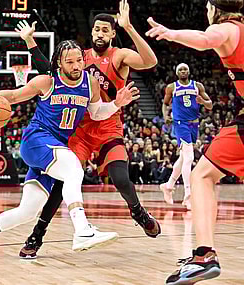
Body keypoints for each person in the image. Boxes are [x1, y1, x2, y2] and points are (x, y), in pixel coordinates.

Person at [0, 39, 139, 258]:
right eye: (70, 62)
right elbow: (16, 95)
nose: (76, 66)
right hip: (37, 140)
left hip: (55, 151)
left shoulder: (90, 83)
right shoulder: (47, 81)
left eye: (79, 61)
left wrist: (116, 104)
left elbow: (96, 114)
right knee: (74, 169)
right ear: (58, 63)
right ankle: (82, 230)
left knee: (26, 212)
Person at [146, 0, 244, 283]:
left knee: (202, 175)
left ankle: (203, 255)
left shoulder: (228, 28)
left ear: (214, 9)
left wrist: (171, 33)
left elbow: (206, 39)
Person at [17, 0, 161, 259]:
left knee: (120, 177)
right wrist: (30, 42)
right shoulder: (78, 57)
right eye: (96, 29)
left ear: (113, 34)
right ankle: (37, 235)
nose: (100, 34)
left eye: (105, 30)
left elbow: (150, 62)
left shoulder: (120, 55)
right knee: (63, 184)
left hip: (108, 126)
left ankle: (138, 211)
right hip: (81, 130)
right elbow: (49, 72)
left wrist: (129, 27)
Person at [159, 63, 212, 210]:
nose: (183, 71)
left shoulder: (198, 86)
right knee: (189, 157)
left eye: (185, 69)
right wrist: (165, 116)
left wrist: (203, 102)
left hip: (194, 123)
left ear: (189, 72)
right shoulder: (172, 87)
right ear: (177, 73)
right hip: (180, 123)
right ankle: (188, 194)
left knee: (183, 158)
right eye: (180, 70)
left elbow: (210, 105)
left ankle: (168, 186)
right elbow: (165, 104)